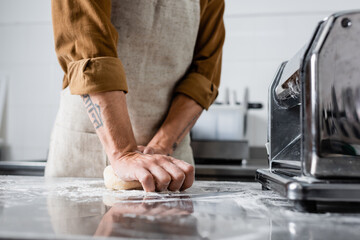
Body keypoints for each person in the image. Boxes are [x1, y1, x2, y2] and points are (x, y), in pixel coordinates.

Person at [45, 0, 225, 192]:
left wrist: (159, 148)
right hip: (84, 153)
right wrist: (123, 153)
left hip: (169, 161)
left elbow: (204, 75)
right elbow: (87, 45)